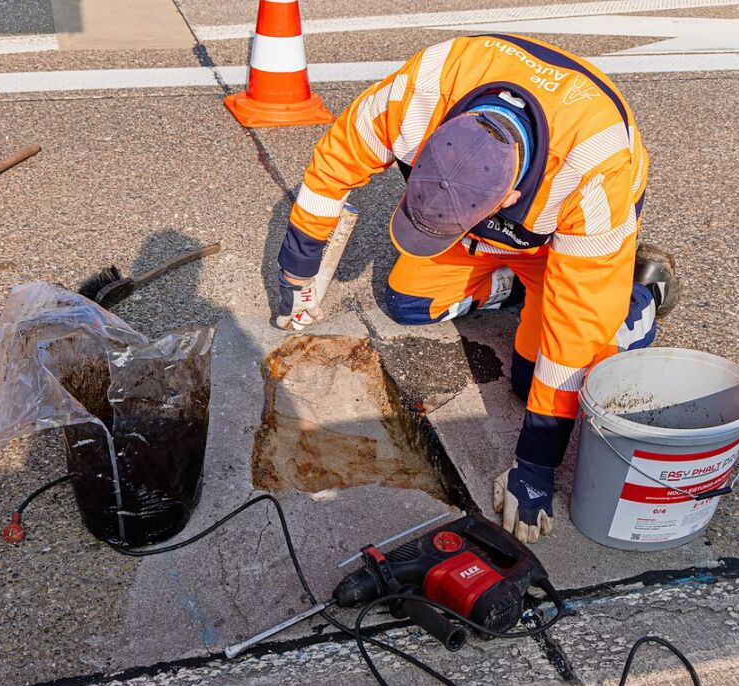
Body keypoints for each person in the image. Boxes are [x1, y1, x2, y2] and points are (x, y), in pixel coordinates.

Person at [274, 34, 679, 543]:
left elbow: (575, 334)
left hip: (563, 248)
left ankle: (641, 297)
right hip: (482, 233)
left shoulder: (594, 172)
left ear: (508, 196)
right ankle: (522, 294)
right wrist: (298, 268)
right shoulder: (424, 90)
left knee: (538, 380)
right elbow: (330, 170)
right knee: (407, 301)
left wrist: (535, 464)